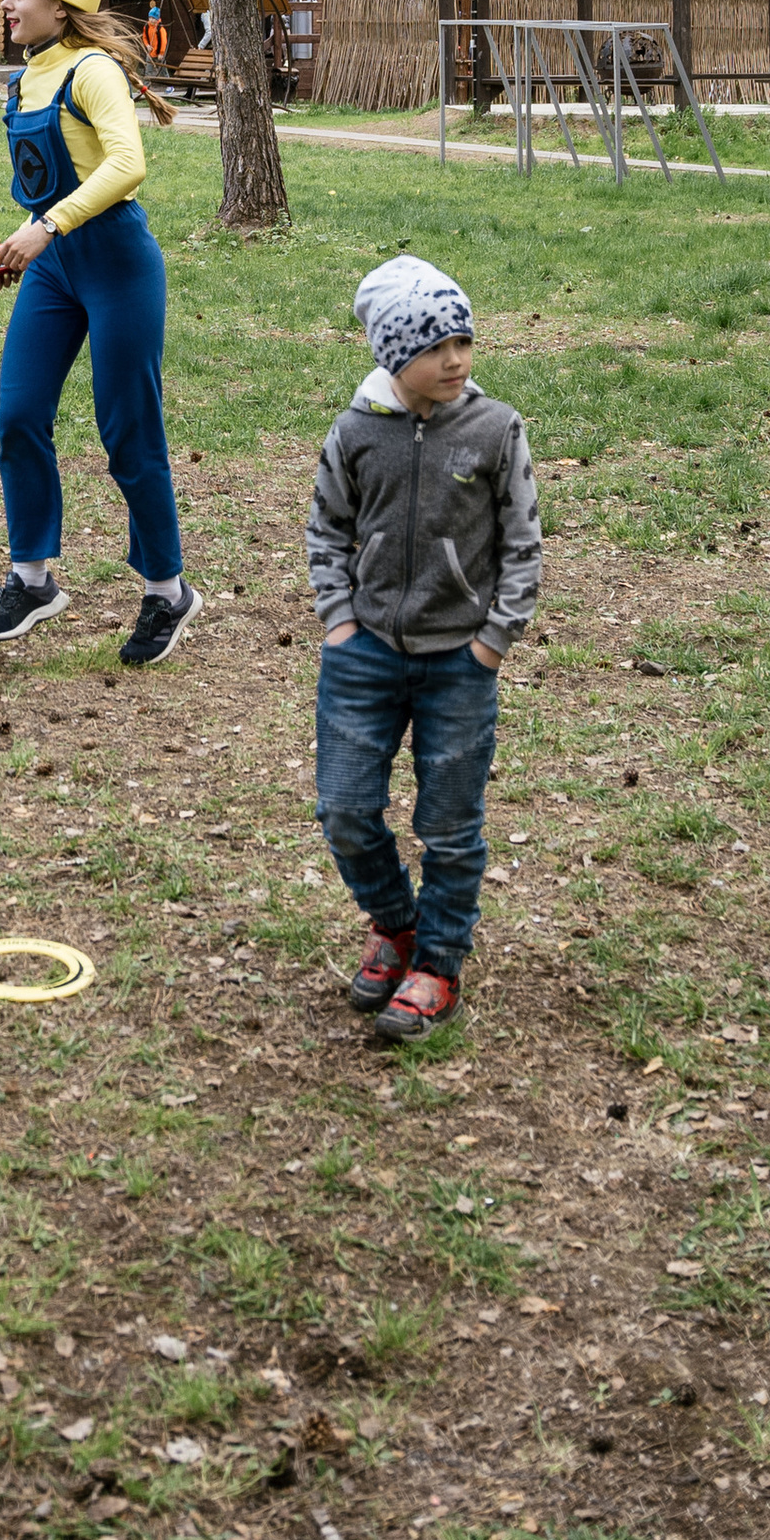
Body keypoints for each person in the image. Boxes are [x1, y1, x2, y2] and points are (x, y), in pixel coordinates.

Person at [305, 253, 543, 1046]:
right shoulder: (354, 434)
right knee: (343, 809)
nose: (455, 360)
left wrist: (492, 642)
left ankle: (439, 963)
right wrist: (339, 622)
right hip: (363, 655)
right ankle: (396, 926)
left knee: (450, 826)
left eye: (463, 341)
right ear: (390, 354)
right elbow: (326, 531)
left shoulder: (494, 428)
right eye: (434, 346)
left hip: (459, 664)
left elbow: (523, 542)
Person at [0, 0, 196, 672]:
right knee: (18, 415)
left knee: (128, 430)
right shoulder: (27, 75)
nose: (6, 1)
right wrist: (22, 238)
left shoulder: (90, 69)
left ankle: (167, 591)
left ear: (61, 3)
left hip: (117, 262)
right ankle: (34, 580)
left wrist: (48, 227)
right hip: (56, 264)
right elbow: (59, 180)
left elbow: (127, 165)